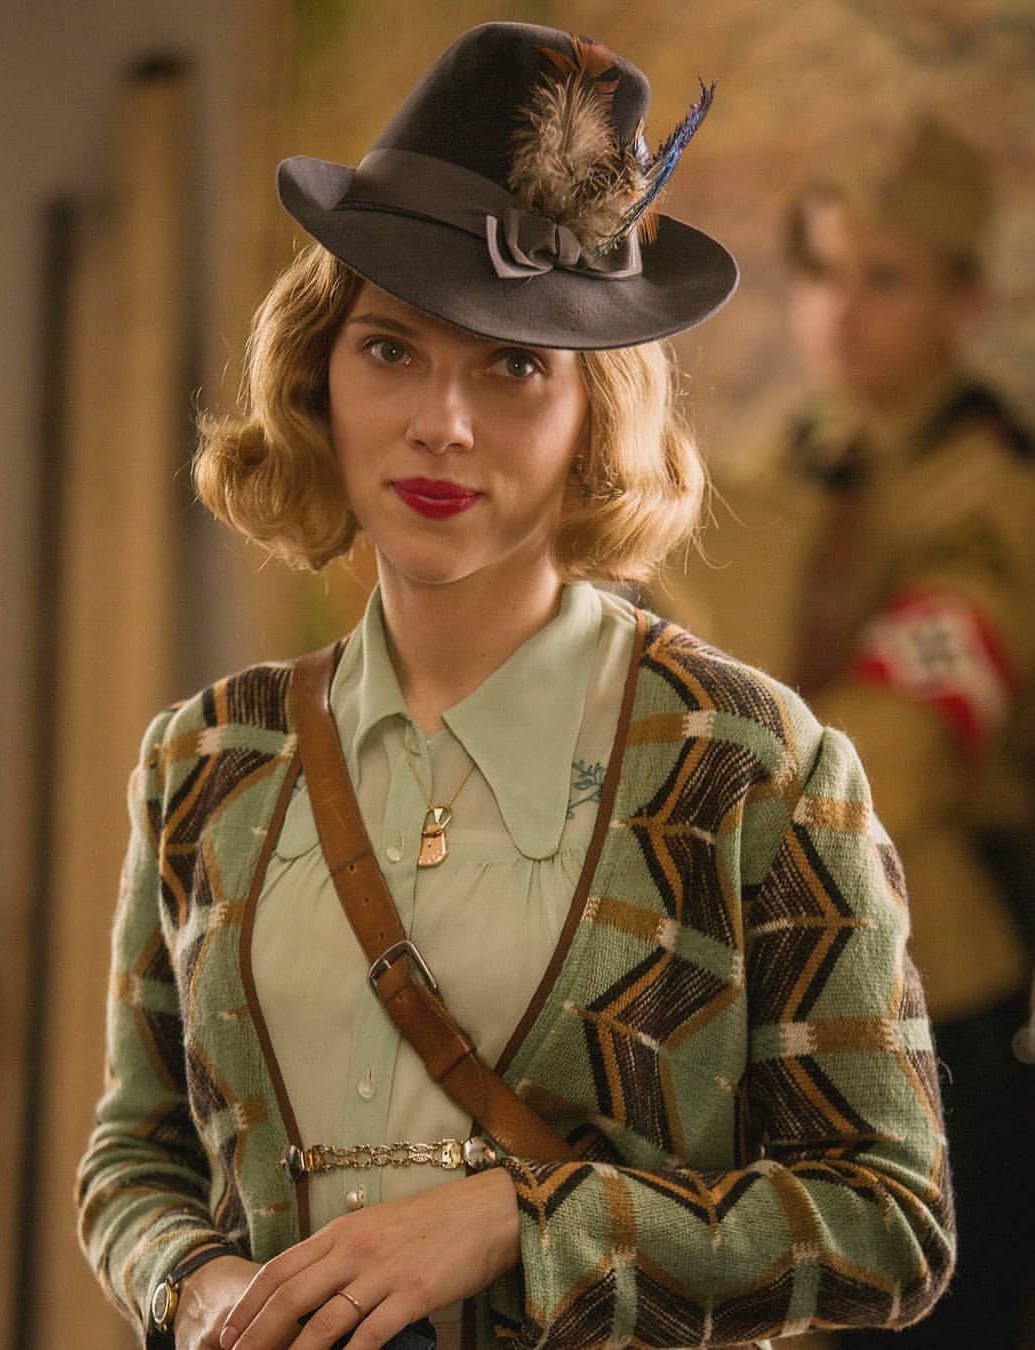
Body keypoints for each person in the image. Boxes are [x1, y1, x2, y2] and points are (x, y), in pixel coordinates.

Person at [77, 24, 955, 1350]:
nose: (443, 422)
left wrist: (524, 1221)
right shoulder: (205, 759)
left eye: (514, 364)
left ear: (598, 412)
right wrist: (199, 1293)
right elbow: (133, 1158)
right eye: (391, 350)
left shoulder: (751, 762)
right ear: (318, 376)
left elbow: (890, 1220)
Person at [655, 114, 1035, 1349]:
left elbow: (904, 743)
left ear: (965, 304)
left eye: (886, 279)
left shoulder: (995, 497)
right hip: (776, 982)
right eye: (820, 269)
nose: (840, 310)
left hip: (940, 993)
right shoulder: (790, 466)